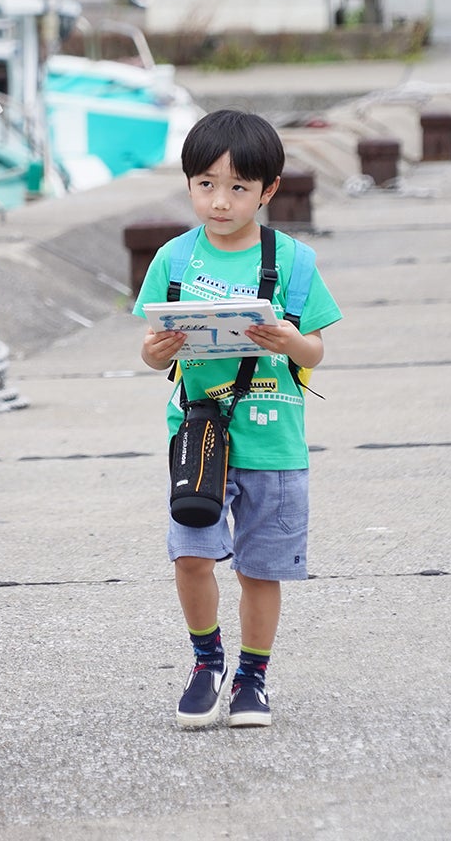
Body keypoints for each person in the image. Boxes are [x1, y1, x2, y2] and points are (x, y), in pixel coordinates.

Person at [132, 110, 341, 730]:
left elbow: (315, 352)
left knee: (260, 568)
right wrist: (156, 351)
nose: (220, 202)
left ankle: (253, 676)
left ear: (268, 190)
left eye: (238, 188)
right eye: (206, 185)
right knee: (190, 556)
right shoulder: (172, 259)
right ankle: (206, 660)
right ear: (189, 183)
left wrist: (286, 340)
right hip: (200, 436)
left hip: (275, 438)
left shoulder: (295, 261)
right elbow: (150, 351)